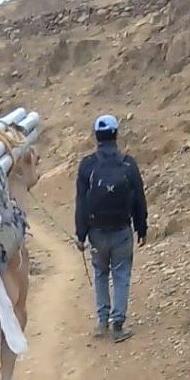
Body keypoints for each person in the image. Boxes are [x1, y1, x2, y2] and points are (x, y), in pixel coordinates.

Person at [74, 114, 148, 343]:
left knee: (100, 273)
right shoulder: (128, 163)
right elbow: (139, 199)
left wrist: (80, 234)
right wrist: (141, 228)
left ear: (96, 136)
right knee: (121, 274)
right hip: (122, 231)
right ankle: (118, 325)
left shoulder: (87, 165)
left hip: (96, 232)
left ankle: (101, 321)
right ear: (116, 134)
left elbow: (82, 203)